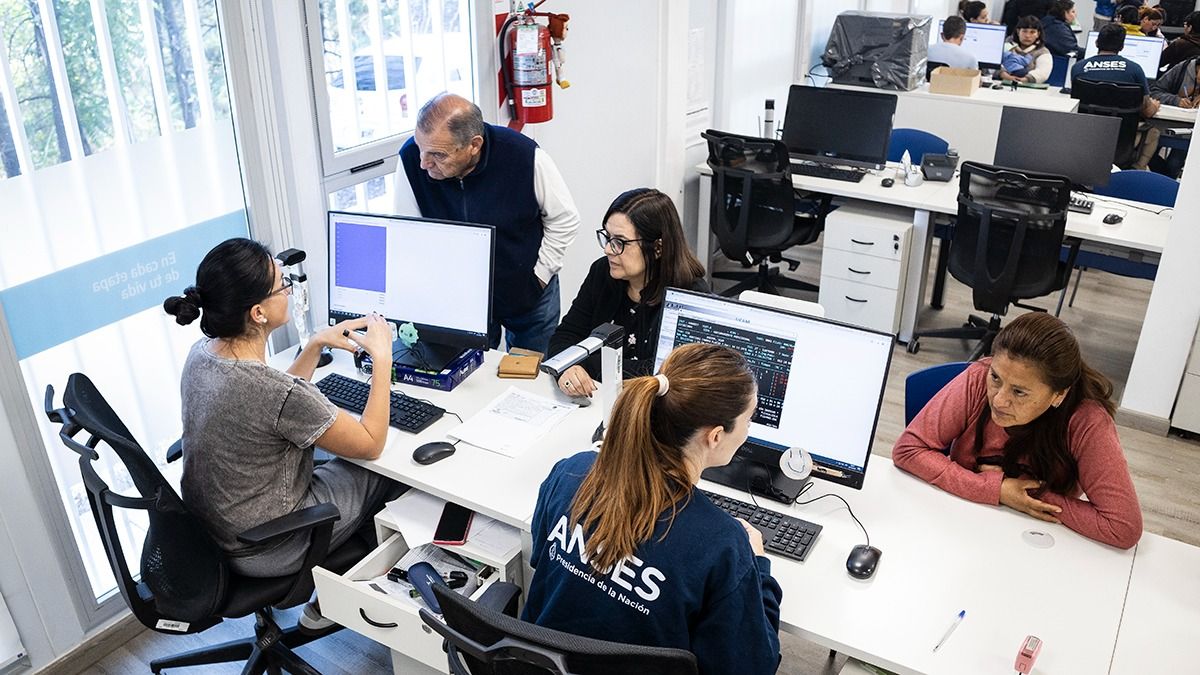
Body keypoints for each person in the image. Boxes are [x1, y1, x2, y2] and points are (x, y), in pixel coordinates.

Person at [163, 238, 407, 629]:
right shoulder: (276, 392)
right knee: (390, 470)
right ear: (259, 312)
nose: (290, 290)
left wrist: (313, 346)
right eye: (282, 285)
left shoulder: (203, 355)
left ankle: (338, 591)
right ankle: (338, 598)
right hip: (271, 545)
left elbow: (267, 409)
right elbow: (371, 443)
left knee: (334, 456)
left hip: (214, 533)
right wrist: (382, 358)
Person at [523, 343, 783, 674]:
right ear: (715, 436)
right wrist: (758, 567)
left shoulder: (571, 472)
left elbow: (540, 560)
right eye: (749, 419)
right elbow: (752, 667)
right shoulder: (721, 544)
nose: (748, 431)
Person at [892, 313, 1143, 550]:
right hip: (960, 521)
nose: (999, 400)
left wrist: (1023, 495)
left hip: (1039, 540)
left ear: (1059, 394)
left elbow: (1122, 527)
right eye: (996, 378)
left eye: (1019, 392)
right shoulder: (977, 378)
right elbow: (908, 450)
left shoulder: (1087, 422)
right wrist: (997, 489)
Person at [394, 93, 581, 355]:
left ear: (474, 145)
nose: (424, 163)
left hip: (528, 293)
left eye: (437, 155)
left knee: (533, 379)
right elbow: (410, 233)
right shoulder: (412, 159)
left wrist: (540, 276)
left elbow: (564, 217)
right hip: (463, 298)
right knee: (471, 378)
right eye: (420, 148)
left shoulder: (524, 156)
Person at [548, 189, 708, 395]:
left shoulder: (690, 295)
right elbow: (566, 335)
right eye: (607, 237)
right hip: (597, 400)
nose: (608, 249)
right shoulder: (602, 272)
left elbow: (665, 376)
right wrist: (567, 368)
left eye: (620, 242)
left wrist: (586, 363)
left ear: (658, 248)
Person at [1072, 23, 1162, 169]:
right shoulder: (1135, 70)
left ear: (1096, 43)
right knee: (1154, 132)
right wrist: (1155, 106)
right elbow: (1147, 111)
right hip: (1122, 140)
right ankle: (1134, 172)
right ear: (1121, 47)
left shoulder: (1078, 68)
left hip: (1086, 136)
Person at [999, 15, 1054, 82]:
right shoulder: (1005, 46)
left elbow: (1043, 72)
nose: (1027, 36)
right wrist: (1004, 75)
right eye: (1024, 31)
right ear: (1018, 31)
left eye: (1032, 32)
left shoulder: (1043, 52)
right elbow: (993, 64)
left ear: (1038, 34)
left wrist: (1025, 79)